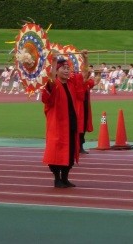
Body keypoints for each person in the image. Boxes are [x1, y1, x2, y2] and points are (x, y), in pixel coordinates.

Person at [41, 55, 86, 188]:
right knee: (56, 152)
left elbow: (84, 75)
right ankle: (57, 179)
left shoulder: (71, 84)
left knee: (70, 152)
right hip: (58, 126)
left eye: (68, 68)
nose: (67, 71)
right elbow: (49, 83)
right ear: (57, 71)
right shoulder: (54, 85)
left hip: (71, 124)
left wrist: (85, 58)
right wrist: (54, 62)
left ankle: (65, 178)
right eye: (63, 69)